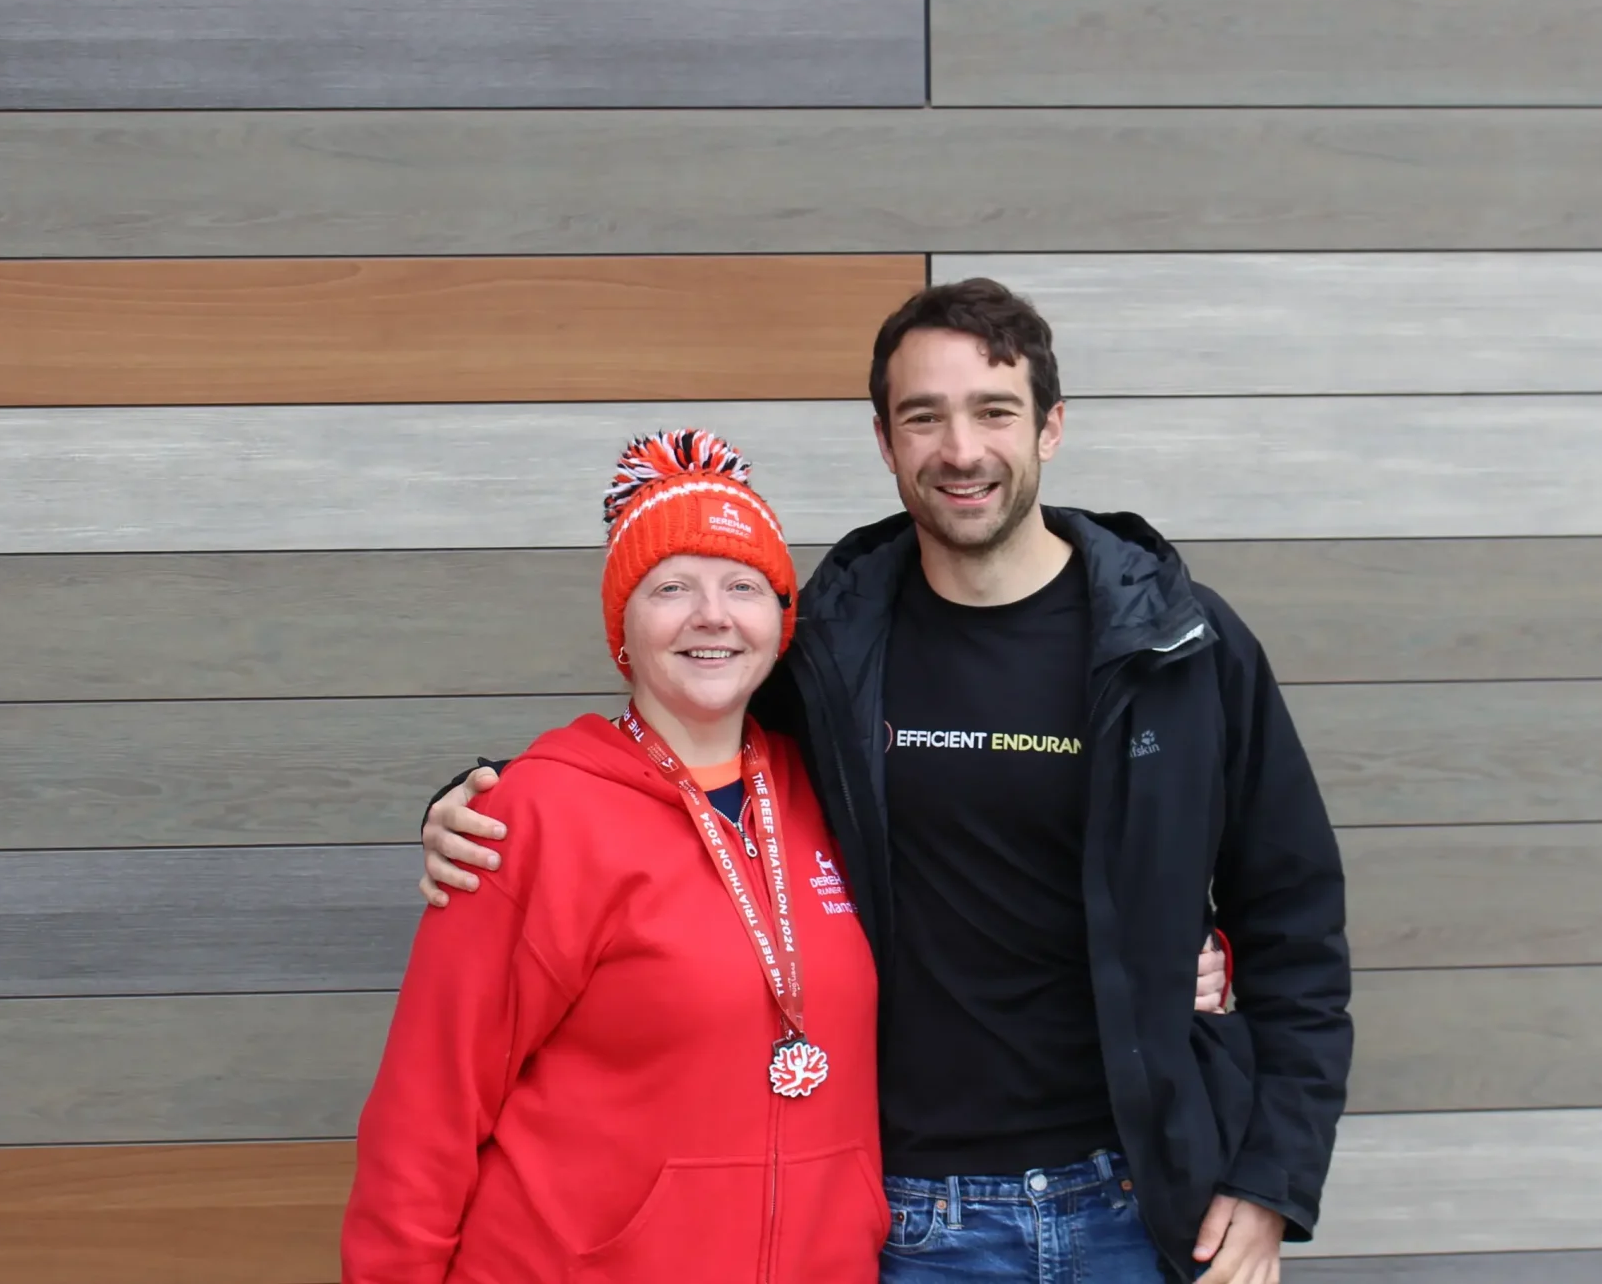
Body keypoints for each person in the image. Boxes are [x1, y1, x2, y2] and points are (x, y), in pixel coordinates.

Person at [421, 280, 1353, 1283]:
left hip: (1142, 1208)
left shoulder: (1183, 647)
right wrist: (489, 799)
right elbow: (676, 757)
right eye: (924, 417)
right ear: (884, 440)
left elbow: (1294, 927)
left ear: (1050, 428)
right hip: (914, 1223)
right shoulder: (828, 655)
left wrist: (1268, 1183)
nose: (960, 449)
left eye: (993, 411)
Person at [342, 431, 889, 1282]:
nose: (712, 614)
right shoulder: (534, 814)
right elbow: (428, 1109)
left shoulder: (837, 794)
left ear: (780, 624)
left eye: (743, 585)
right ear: (623, 628)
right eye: (672, 586)